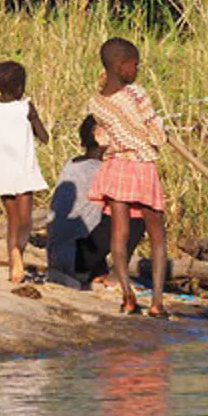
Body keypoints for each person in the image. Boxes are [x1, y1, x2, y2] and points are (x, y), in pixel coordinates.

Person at [87, 38, 169, 318]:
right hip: (142, 166)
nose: (137, 70)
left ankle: (127, 296)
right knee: (157, 235)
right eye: (135, 65)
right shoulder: (136, 94)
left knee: (118, 234)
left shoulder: (97, 103)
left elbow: (103, 136)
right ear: (122, 66)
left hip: (117, 167)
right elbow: (154, 134)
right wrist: (161, 130)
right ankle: (157, 302)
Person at [0, 60, 49, 284]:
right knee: (25, 222)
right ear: (19, 87)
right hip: (23, 171)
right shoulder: (26, 107)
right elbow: (43, 137)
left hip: (3, 171)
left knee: (12, 220)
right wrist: (37, 124)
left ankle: (13, 265)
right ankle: (18, 252)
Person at [46, 116, 146, 287]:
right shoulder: (100, 170)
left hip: (57, 255)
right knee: (137, 216)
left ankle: (97, 270)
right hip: (76, 258)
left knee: (103, 215)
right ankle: (115, 276)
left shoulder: (72, 163)